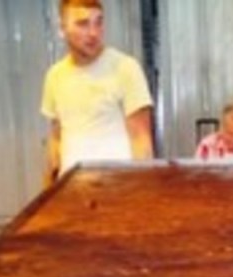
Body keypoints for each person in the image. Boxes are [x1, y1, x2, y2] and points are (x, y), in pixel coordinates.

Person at [41, 0, 154, 184]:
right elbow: (56, 139)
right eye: (83, 24)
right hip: (71, 191)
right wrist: (48, 189)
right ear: (62, 28)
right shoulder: (55, 76)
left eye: (99, 22)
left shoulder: (125, 69)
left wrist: (141, 194)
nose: (93, 33)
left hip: (117, 189)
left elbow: (142, 143)